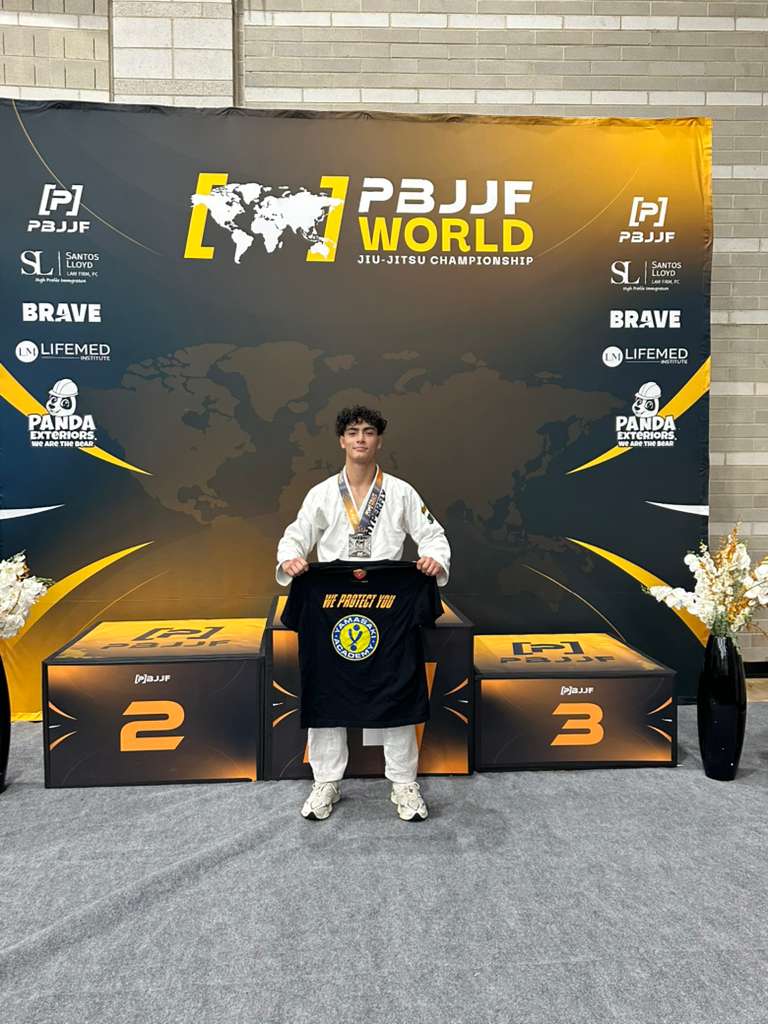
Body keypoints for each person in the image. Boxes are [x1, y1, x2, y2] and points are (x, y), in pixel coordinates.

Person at [276, 404, 451, 821]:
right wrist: (290, 559)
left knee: (398, 684)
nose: (360, 439)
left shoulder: (401, 492)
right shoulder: (322, 493)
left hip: (389, 603)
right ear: (342, 441)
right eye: (353, 432)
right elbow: (295, 535)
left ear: (379, 441)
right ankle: (326, 781)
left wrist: (434, 559)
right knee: (327, 686)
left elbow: (433, 535)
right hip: (333, 604)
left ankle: (404, 783)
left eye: (368, 432)